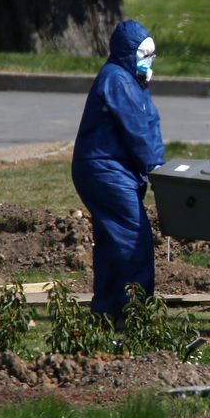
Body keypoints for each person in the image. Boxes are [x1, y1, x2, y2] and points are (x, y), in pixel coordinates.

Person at [72, 20, 164, 323]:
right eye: (143, 55)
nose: (149, 62)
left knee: (113, 242)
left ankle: (106, 311)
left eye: (152, 55)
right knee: (133, 241)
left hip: (113, 170)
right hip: (106, 171)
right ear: (128, 53)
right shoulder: (119, 80)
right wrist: (156, 168)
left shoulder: (132, 81)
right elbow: (137, 131)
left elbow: (149, 124)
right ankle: (132, 313)